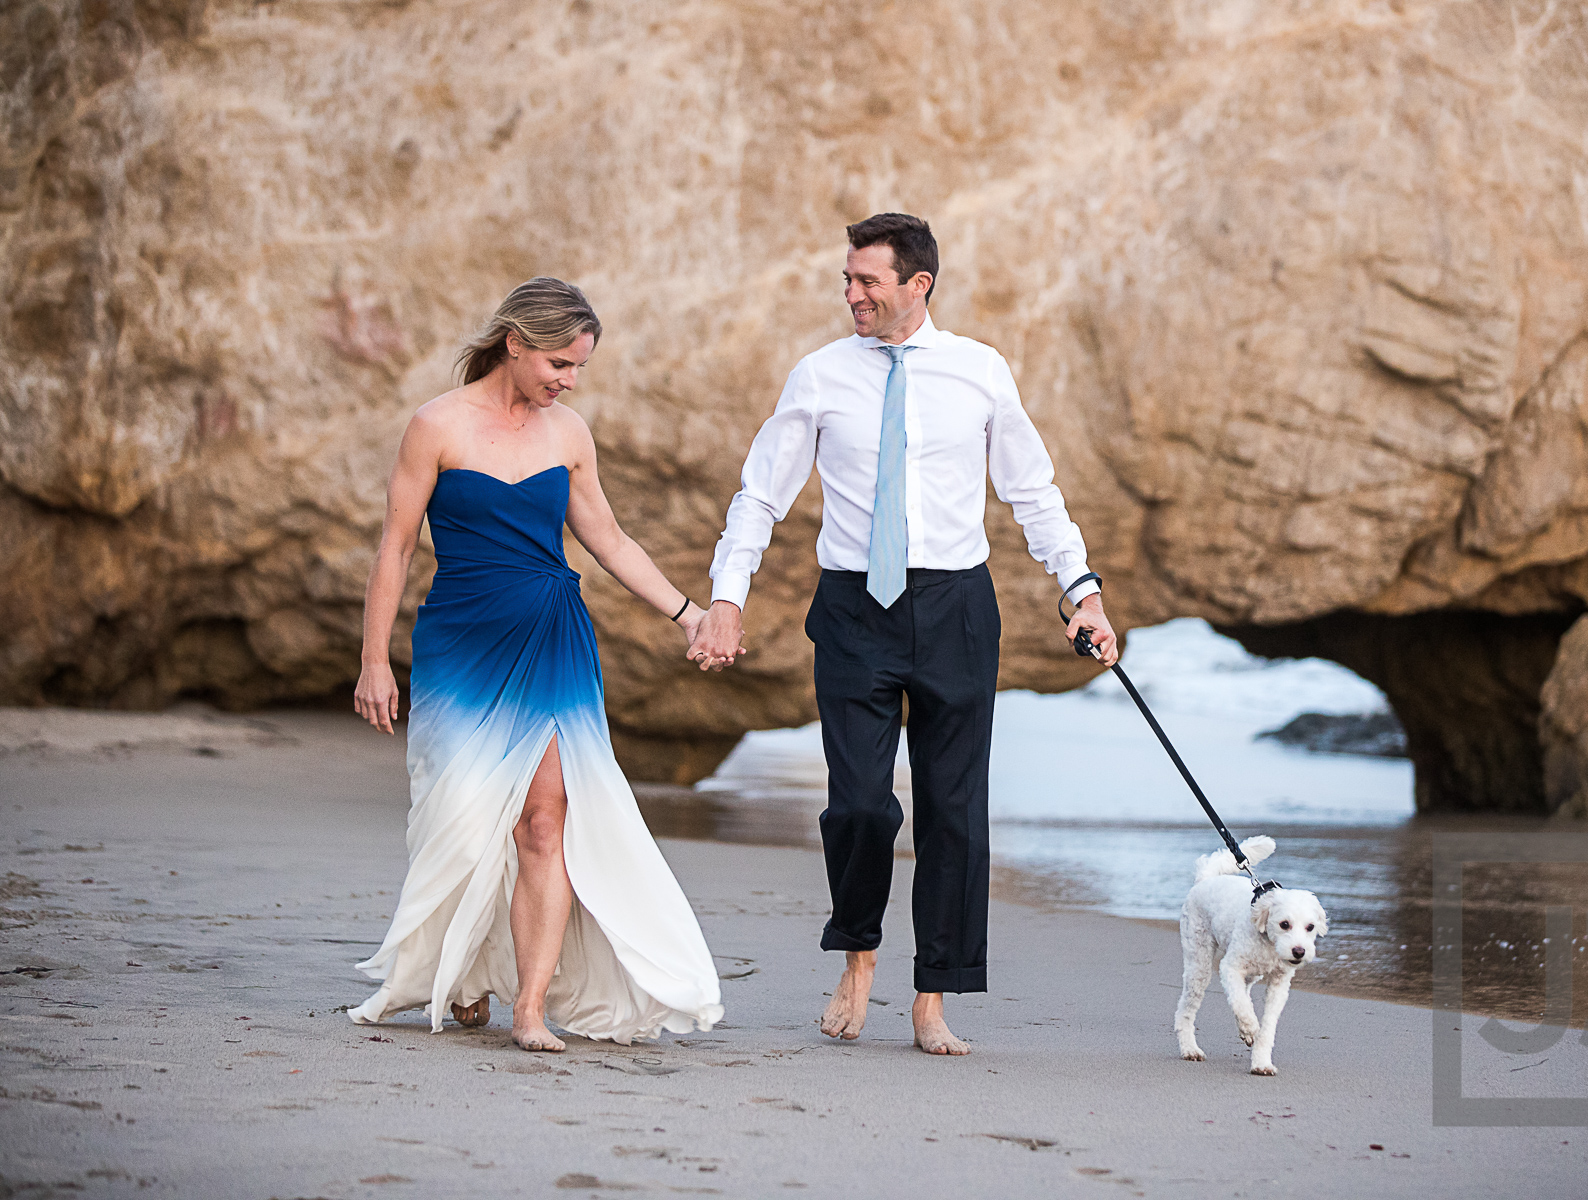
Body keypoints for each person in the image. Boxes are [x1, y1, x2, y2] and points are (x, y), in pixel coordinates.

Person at [689, 214, 1119, 1055]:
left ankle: (933, 996)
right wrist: (727, 597)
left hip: (957, 607)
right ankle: (858, 954)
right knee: (856, 804)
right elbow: (760, 495)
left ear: (916, 285)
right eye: (847, 281)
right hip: (853, 609)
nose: (851, 294)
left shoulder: (980, 372)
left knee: (955, 813)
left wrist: (1082, 590)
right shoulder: (818, 376)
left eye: (866, 281)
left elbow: (1032, 493)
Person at [349, 277, 725, 1051]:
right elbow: (394, 548)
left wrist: (689, 614)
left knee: (544, 822)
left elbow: (610, 541)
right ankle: (462, 971)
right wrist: (373, 662)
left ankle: (529, 1007)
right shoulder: (436, 427)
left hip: (553, 638)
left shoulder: (569, 434)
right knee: (461, 821)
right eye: (559, 363)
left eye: (579, 368)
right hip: (461, 644)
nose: (568, 381)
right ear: (514, 344)